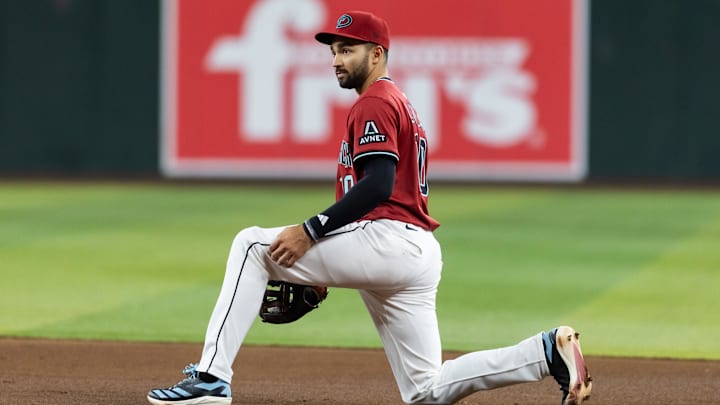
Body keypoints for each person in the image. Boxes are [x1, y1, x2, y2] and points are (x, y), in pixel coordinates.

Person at [147, 10, 592, 405]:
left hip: (388, 240)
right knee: (425, 390)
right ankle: (546, 351)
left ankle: (210, 379)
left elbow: (377, 185)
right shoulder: (398, 102)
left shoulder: (375, 101)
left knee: (251, 246)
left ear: (376, 54)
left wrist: (311, 231)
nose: (337, 60)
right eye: (334, 51)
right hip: (413, 252)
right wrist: (320, 268)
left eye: (348, 49)